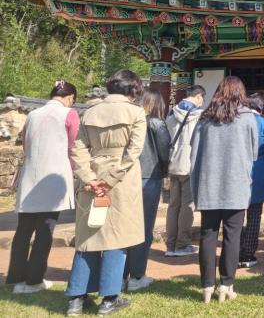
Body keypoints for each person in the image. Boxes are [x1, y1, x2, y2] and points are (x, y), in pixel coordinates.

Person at [66, 70, 147, 316]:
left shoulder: (90, 112)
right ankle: (109, 299)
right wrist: (110, 180)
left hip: (92, 176)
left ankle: (76, 299)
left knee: (87, 238)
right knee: (117, 238)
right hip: (121, 181)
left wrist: (89, 178)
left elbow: (77, 149)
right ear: (133, 89)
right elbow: (133, 152)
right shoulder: (136, 113)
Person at [191, 76, 258, 303]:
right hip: (236, 184)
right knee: (232, 236)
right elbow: (254, 153)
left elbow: (194, 153)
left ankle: (207, 285)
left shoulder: (205, 118)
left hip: (208, 184)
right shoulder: (247, 118)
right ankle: (226, 284)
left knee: (207, 235)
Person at [7, 80, 78, 294]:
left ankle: (16, 278)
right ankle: (34, 280)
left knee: (23, 229)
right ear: (70, 98)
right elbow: (73, 146)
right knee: (45, 229)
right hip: (53, 178)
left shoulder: (32, 114)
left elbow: (26, 144)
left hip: (30, 176)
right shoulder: (69, 114)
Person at [124, 89, 170, 291]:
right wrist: (165, 170)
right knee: (143, 228)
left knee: (124, 228)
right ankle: (137, 275)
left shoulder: (129, 120)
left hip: (127, 176)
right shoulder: (156, 123)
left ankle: (120, 274)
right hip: (149, 177)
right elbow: (164, 151)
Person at [165, 85, 206, 257]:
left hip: (173, 163)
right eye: (202, 98)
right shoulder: (199, 115)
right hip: (189, 165)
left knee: (173, 205)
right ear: (198, 96)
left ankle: (170, 245)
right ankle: (182, 244)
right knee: (187, 205)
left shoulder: (171, 113)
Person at [239, 92, 264, 268]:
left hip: (238, 170)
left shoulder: (237, 120)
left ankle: (235, 251)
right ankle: (248, 254)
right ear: (262, 108)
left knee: (236, 215)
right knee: (254, 214)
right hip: (258, 170)